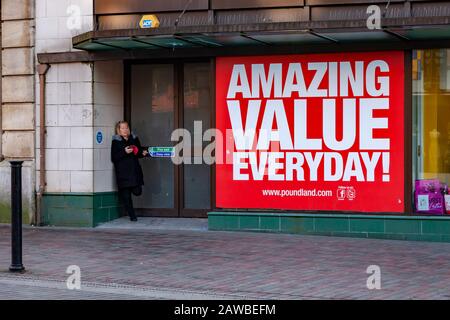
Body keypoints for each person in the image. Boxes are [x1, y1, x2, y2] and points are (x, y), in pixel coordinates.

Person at [111, 121, 148, 221]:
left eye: (126, 127)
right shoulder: (116, 141)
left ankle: (132, 188)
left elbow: (138, 151)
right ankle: (133, 216)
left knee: (137, 191)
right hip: (122, 173)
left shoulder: (134, 138)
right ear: (118, 130)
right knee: (126, 197)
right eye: (122, 128)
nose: (125, 130)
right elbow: (114, 157)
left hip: (134, 171)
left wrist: (142, 153)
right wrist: (124, 151)